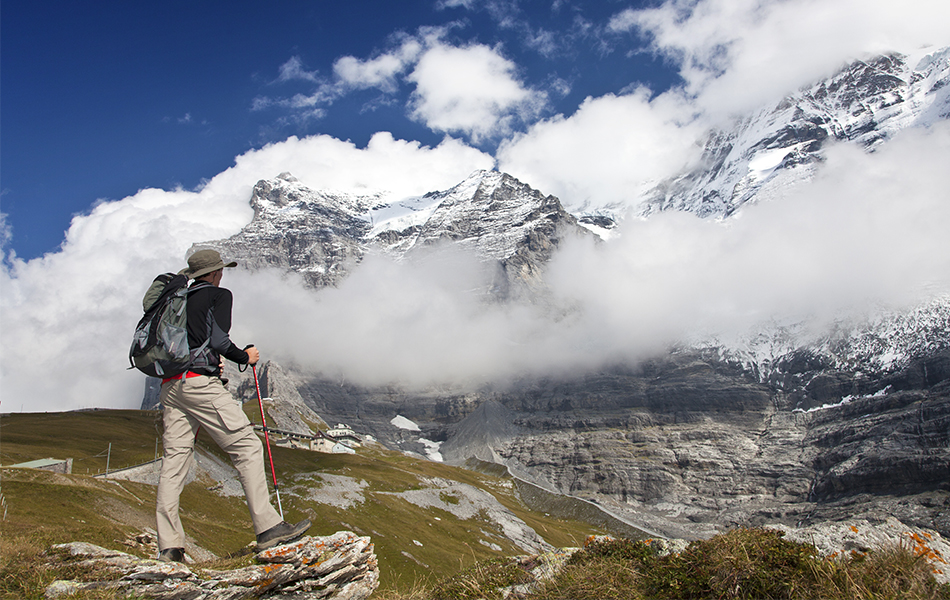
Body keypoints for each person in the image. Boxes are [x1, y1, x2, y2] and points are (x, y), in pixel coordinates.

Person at [154, 249, 310, 562]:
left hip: (170, 387)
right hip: (200, 385)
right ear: (214, 273)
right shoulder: (218, 295)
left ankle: (169, 546)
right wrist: (244, 357)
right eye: (221, 271)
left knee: (174, 462)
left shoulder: (174, 299)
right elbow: (217, 340)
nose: (222, 275)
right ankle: (268, 527)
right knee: (248, 447)